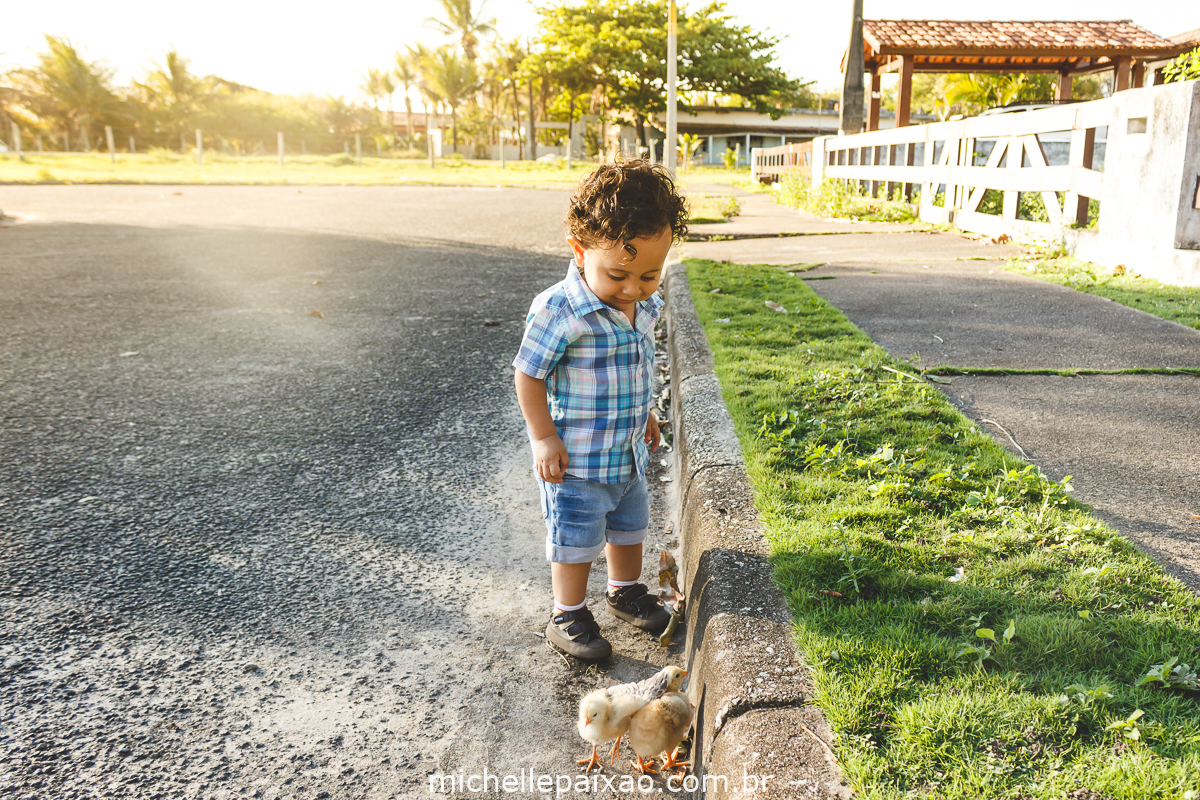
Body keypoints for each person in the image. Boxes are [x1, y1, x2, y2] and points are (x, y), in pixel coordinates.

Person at [513, 159, 689, 660]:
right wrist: (543, 437)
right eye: (618, 274)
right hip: (576, 462)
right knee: (574, 540)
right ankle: (566, 614)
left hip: (628, 453)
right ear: (580, 250)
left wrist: (647, 414)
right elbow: (528, 373)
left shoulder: (644, 304)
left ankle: (624, 589)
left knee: (629, 527)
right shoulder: (559, 310)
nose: (633, 287)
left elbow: (636, 365)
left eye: (650, 274)